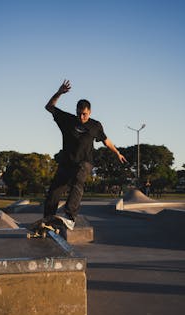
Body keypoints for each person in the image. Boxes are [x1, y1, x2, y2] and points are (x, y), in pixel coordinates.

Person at [44, 80, 127, 230]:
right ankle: (47, 220)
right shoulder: (67, 119)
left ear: (90, 112)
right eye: (79, 114)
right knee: (54, 192)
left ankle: (70, 216)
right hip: (66, 163)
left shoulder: (95, 125)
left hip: (85, 162)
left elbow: (106, 141)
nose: (81, 117)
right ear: (75, 111)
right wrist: (59, 93)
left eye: (84, 114)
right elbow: (49, 107)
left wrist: (117, 153)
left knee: (78, 180)